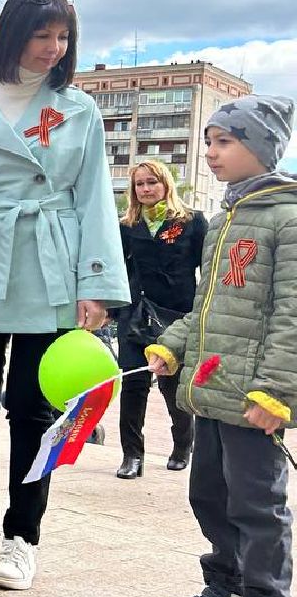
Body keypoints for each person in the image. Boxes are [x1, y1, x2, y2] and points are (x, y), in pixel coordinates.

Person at [0, 0, 128, 591]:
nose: (54, 48)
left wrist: (96, 284)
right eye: (42, 35)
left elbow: (94, 198)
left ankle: (23, 536)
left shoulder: (78, 109)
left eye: (63, 37)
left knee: (36, 407)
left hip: (50, 260)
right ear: (13, 34)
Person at [148, 95, 296, 597]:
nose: (210, 153)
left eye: (224, 142)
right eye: (208, 141)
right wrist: (173, 345)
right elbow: (207, 307)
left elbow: (292, 314)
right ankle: (226, 594)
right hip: (211, 390)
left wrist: (277, 393)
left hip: (253, 397)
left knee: (259, 506)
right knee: (209, 494)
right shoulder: (224, 219)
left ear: (261, 147)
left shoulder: (287, 217)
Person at [113, 160, 206, 479]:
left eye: (151, 182)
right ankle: (132, 455)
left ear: (166, 184)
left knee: (172, 386)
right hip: (135, 315)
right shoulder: (126, 226)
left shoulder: (192, 221)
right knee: (133, 385)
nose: (145, 189)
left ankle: (182, 446)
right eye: (139, 184)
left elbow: (207, 271)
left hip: (176, 318)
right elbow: (118, 270)